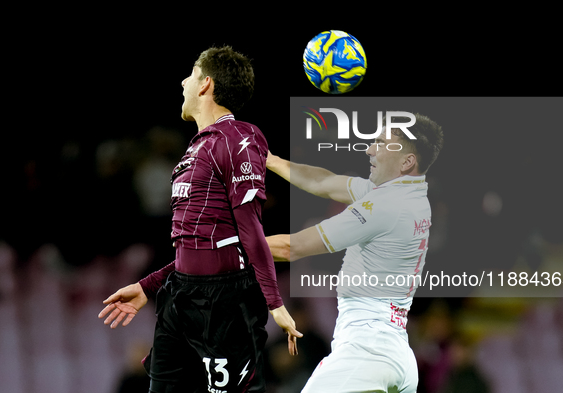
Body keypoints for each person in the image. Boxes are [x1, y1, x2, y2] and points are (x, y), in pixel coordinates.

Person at [98, 46, 302, 393]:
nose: (183, 82)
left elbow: (250, 229)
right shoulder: (197, 147)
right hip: (181, 299)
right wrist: (149, 286)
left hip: (225, 305)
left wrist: (275, 303)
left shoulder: (240, 139)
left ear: (205, 84)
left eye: (190, 74)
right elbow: (197, 241)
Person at [266, 113, 444, 393]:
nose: (370, 149)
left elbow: (293, 247)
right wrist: (270, 160)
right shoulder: (408, 193)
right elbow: (322, 182)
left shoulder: (385, 207)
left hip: (366, 354)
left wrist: (220, 245)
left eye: (382, 144)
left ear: (407, 161)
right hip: (395, 354)